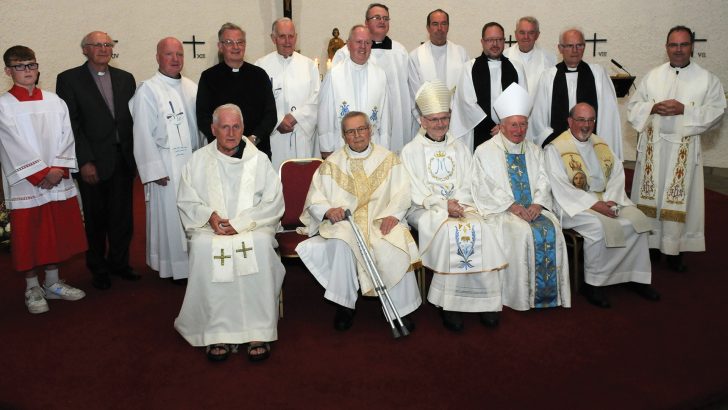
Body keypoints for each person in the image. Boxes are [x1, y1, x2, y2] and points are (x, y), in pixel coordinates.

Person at [174, 104, 285, 363]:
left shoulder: (259, 160)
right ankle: (216, 332)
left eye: (236, 126)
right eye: (225, 127)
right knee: (204, 248)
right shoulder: (198, 160)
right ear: (213, 129)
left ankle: (258, 331)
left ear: (243, 128)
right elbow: (187, 200)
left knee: (258, 245)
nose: (231, 133)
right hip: (210, 228)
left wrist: (242, 223)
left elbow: (273, 202)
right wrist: (209, 217)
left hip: (252, 227)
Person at [297, 111, 421, 332]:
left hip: (381, 219)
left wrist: (394, 215)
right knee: (342, 239)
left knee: (397, 238)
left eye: (361, 129)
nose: (357, 135)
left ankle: (400, 309)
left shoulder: (389, 159)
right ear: (343, 136)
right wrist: (328, 211)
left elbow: (403, 192)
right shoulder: (331, 164)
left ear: (370, 130)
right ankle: (344, 304)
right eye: (350, 131)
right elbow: (315, 197)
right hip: (346, 222)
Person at [401, 80, 507, 332]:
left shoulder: (459, 147)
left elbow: (470, 182)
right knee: (451, 232)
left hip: (461, 205)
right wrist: (442, 205)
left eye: (444, 118)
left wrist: (457, 203)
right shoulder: (410, 151)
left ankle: (485, 302)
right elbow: (413, 190)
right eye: (434, 119)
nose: (440, 124)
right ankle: (449, 304)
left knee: (482, 226)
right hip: (424, 210)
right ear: (422, 121)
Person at [628, 25, 726, 272]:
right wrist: (651, 108)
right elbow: (633, 107)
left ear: (692, 46)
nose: (678, 50)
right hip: (654, 149)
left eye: (683, 45)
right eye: (673, 45)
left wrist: (686, 110)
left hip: (682, 152)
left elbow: (717, 111)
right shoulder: (653, 76)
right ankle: (649, 244)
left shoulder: (706, 79)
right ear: (666, 47)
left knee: (677, 199)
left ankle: (674, 249)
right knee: (650, 198)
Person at [471, 83, 570, 322]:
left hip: (534, 210)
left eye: (523, 124)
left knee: (553, 228)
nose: (519, 129)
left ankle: (549, 295)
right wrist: (512, 206)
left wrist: (537, 204)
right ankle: (520, 296)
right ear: (502, 126)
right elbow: (482, 186)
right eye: (513, 124)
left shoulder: (535, 150)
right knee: (522, 231)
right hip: (502, 212)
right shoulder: (484, 151)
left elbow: (544, 181)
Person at [545, 103, 660, 307]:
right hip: (572, 205)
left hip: (607, 199)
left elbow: (616, 174)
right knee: (598, 227)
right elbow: (560, 187)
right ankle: (594, 284)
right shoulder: (555, 149)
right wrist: (595, 205)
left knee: (639, 222)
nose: (586, 125)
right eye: (581, 120)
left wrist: (612, 199)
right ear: (570, 121)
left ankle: (636, 277)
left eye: (591, 120)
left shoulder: (601, 145)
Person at [1, 45, 87, 314]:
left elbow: (66, 135)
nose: (27, 71)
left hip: (56, 179)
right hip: (27, 182)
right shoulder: (4, 105)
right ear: (8, 71)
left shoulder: (54, 101)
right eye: (20, 66)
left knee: (56, 231)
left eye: (31, 65)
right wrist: (40, 173)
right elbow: (11, 144)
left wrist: (58, 169)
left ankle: (52, 283)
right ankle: (31, 287)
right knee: (31, 234)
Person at [56, 31, 140, 290]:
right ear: (84, 50)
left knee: (123, 216)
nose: (103, 49)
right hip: (93, 161)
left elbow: (132, 120)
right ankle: (98, 267)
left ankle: (120, 263)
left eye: (107, 44)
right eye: (97, 45)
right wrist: (84, 161)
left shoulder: (126, 78)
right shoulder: (69, 79)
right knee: (96, 218)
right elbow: (72, 124)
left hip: (122, 158)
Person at [129, 37, 204, 283]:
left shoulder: (192, 87)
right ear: (158, 57)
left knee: (195, 213)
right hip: (166, 165)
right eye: (169, 54)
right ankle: (175, 268)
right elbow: (141, 132)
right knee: (171, 217)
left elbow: (202, 128)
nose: (175, 59)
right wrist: (154, 169)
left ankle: (197, 263)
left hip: (192, 162)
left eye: (179, 54)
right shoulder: (148, 90)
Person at [529, 28, 623, 159]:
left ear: (584, 47)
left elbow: (608, 117)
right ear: (560, 48)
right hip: (558, 149)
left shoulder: (597, 74)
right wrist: (554, 141)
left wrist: (602, 147)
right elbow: (538, 119)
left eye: (579, 45)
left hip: (592, 149)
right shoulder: (549, 76)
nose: (575, 50)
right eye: (569, 46)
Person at [332, 3, 412, 152]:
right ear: (366, 22)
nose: (382, 21)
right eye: (376, 17)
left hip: (396, 120)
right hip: (358, 130)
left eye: (385, 18)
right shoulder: (346, 52)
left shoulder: (400, 51)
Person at [196, 22, 277, 157]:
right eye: (229, 42)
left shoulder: (259, 75)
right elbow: (203, 117)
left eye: (240, 42)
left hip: (257, 149)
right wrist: (224, 142)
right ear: (220, 47)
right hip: (221, 152)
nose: (236, 47)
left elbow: (271, 115)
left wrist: (254, 139)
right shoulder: (208, 77)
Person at [255, 18, 321, 170]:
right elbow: (258, 102)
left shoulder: (309, 65)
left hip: (302, 134)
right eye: (282, 36)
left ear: (296, 37)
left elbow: (317, 99)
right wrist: (278, 121)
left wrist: (295, 117)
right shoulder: (260, 66)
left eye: (291, 36)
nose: (287, 41)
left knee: (301, 183)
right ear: (273, 38)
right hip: (274, 136)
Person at [450, 22, 527, 152]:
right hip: (479, 132)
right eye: (490, 40)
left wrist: (504, 127)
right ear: (482, 41)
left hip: (509, 134)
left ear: (504, 41)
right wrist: (493, 127)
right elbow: (467, 104)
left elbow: (521, 103)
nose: (495, 44)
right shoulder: (469, 68)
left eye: (499, 40)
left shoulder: (516, 68)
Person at [318, 25, 390, 157]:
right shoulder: (334, 74)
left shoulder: (380, 74)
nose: (363, 46)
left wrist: (384, 146)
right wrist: (326, 148)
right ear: (348, 44)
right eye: (358, 42)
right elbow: (325, 114)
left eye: (367, 42)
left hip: (373, 147)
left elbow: (385, 115)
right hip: (340, 147)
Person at [408, 9, 469, 137]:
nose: (440, 28)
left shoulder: (461, 53)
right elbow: (414, 93)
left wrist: (452, 117)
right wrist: (427, 122)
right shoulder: (416, 56)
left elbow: (467, 89)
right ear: (428, 28)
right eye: (435, 24)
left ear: (448, 27)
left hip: (455, 122)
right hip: (428, 124)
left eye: (444, 23)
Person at [503, 16, 557, 100]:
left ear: (537, 35)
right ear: (516, 34)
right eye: (522, 32)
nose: (526, 37)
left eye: (531, 33)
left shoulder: (550, 59)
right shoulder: (504, 57)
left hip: (540, 112)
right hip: (512, 111)